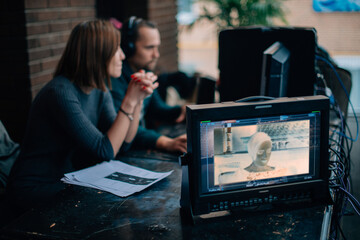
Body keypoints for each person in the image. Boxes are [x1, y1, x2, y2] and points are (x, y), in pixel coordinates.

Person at [5, 20, 158, 212]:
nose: (122, 55)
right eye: (116, 48)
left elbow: (123, 143)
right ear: (97, 54)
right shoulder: (60, 93)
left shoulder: (99, 90)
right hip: (34, 189)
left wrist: (138, 100)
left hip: (66, 180)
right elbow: (105, 150)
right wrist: (128, 101)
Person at [110, 16, 188, 153]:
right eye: (149, 47)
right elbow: (122, 128)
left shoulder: (144, 71)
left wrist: (181, 110)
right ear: (129, 48)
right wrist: (165, 142)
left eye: (157, 47)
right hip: (125, 152)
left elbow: (158, 109)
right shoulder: (115, 80)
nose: (156, 54)